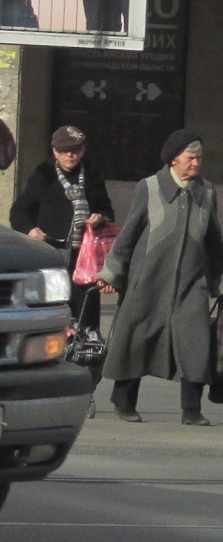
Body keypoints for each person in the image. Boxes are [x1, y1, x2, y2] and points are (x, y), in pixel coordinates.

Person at [97, 130, 223, 425]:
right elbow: (128, 234)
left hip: (192, 284)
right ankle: (123, 401)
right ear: (174, 159)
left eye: (199, 158)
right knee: (136, 341)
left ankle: (191, 410)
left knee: (195, 342)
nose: (196, 163)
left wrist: (218, 281)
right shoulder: (150, 187)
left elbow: (214, 243)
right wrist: (111, 272)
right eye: (190, 158)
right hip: (148, 282)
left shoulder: (207, 192)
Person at [9, 125, 115, 388]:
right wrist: (30, 230)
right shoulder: (43, 175)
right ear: (55, 151)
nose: (71, 156)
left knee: (86, 323)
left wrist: (100, 217)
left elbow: (106, 209)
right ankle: (48, 376)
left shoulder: (92, 174)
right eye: (65, 151)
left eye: (76, 151)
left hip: (84, 260)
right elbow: (20, 211)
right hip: (53, 258)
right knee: (56, 320)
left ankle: (86, 381)